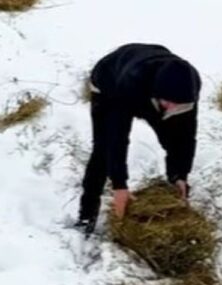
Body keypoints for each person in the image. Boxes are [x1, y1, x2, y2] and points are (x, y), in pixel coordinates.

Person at [74, 43, 201, 235]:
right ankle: (86, 216)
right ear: (159, 96)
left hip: (153, 90)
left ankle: (174, 185)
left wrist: (180, 175)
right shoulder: (132, 82)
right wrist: (119, 185)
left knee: (174, 142)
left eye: (178, 107)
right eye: (169, 104)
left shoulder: (188, 88)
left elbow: (186, 136)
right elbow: (117, 138)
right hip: (110, 83)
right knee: (103, 150)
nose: (172, 110)